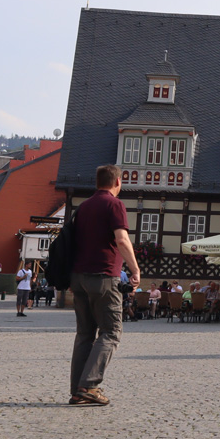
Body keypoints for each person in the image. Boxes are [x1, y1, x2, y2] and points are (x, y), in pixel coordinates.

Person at [69, 164, 141, 407]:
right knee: (111, 332)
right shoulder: (115, 204)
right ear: (118, 182)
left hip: (78, 277)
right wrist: (135, 269)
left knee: (85, 335)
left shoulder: (83, 207)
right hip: (103, 276)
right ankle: (89, 385)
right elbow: (121, 239)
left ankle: (77, 391)